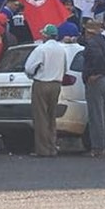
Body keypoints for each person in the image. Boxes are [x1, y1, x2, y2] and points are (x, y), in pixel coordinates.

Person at [24, 23, 69, 157]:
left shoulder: (41, 49)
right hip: (56, 84)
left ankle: (42, 149)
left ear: (46, 35)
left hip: (42, 83)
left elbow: (29, 67)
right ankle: (52, 146)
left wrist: (32, 74)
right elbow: (65, 68)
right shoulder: (62, 50)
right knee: (51, 117)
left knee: (41, 117)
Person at [81, 19, 105, 157]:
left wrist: (95, 74)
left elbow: (98, 58)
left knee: (95, 116)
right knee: (102, 115)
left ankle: (98, 148)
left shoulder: (92, 43)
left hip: (96, 81)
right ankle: (104, 145)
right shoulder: (103, 41)